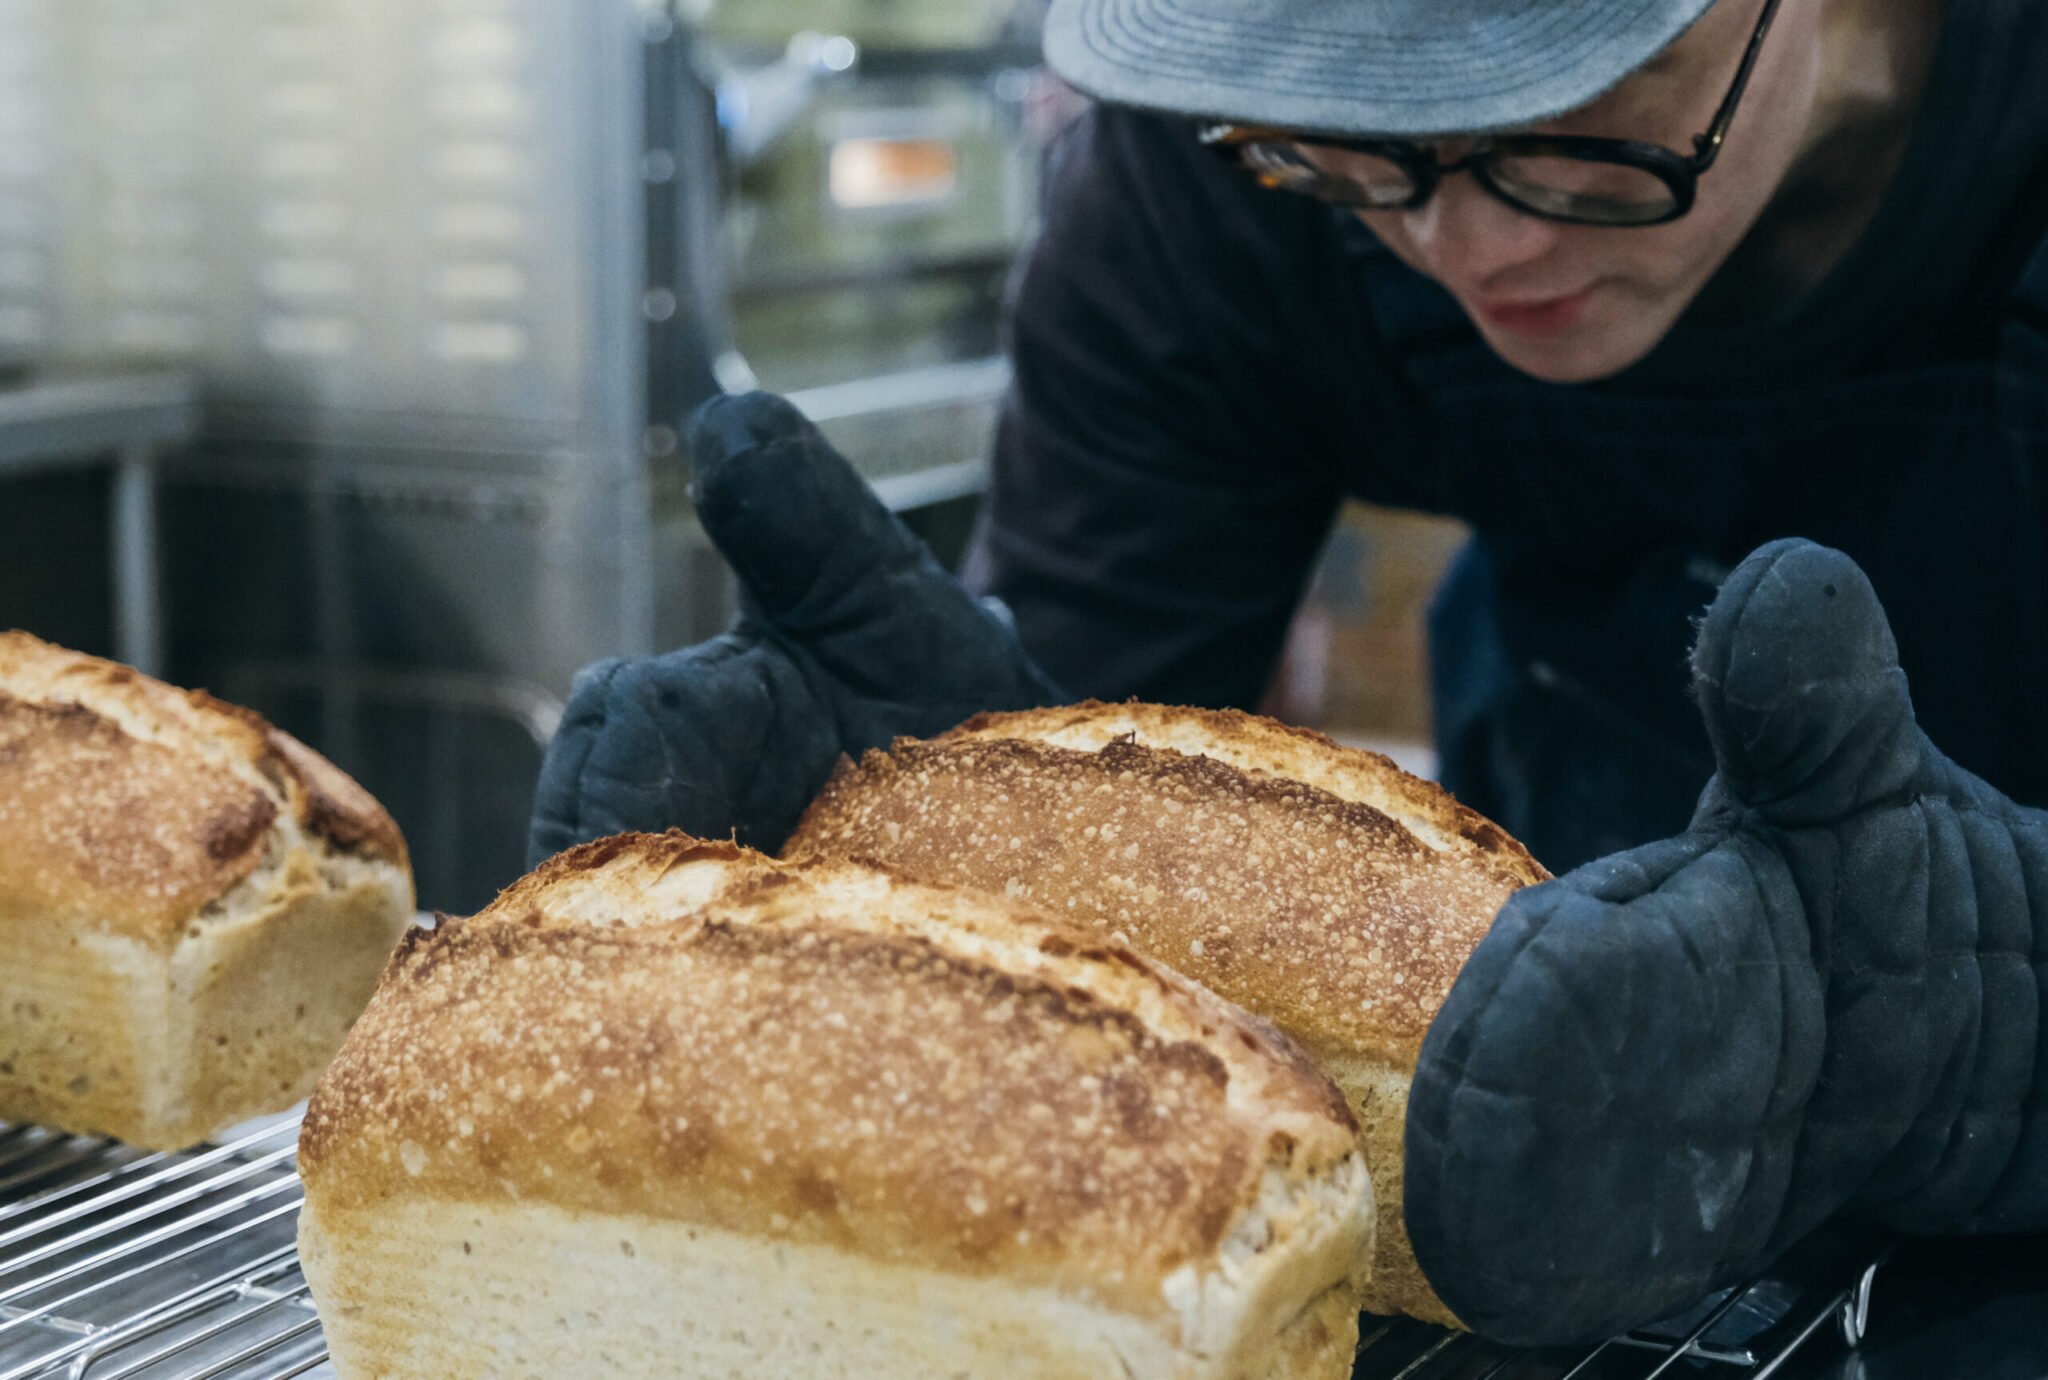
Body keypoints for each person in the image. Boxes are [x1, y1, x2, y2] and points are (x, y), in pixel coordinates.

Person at [527, 0, 2048, 1349]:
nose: (1474, 244)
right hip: (1538, 1113)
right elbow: (1108, 647)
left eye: (1567, 124)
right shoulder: (1217, 175)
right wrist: (982, 790)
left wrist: (1975, 1018)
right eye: (1360, 148)